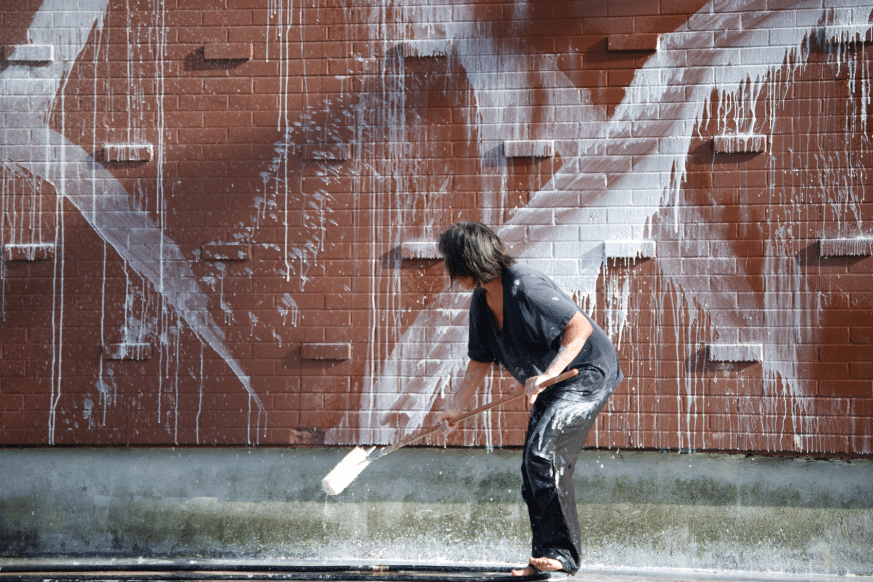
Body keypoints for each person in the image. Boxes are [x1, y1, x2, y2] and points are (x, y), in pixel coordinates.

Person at [436, 221, 623, 577]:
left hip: (584, 373)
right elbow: (479, 360)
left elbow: (579, 327)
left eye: (451, 261)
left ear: (469, 261)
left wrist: (550, 373)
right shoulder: (481, 301)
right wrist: (456, 405)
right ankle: (544, 559)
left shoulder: (524, 285)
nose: (448, 271)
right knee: (532, 467)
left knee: (543, 454)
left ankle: (562, 556)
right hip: (552, 382)